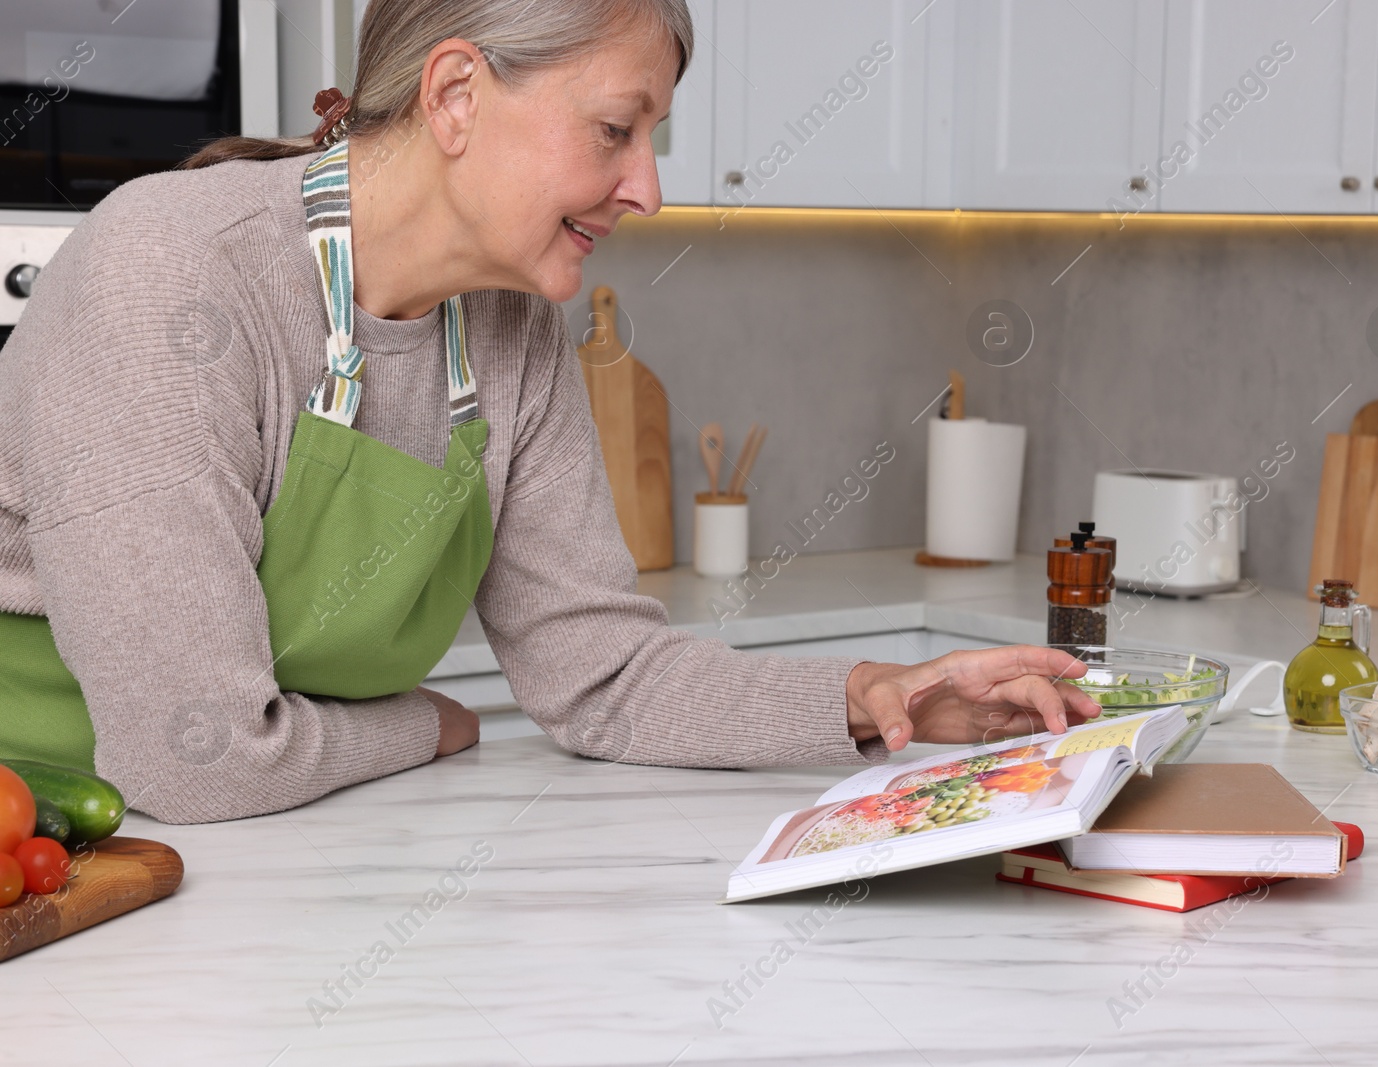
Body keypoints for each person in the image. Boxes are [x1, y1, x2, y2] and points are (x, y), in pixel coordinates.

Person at [0, 0, 1098, 824]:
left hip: (288, 842)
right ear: (456, 96)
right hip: (62, 848)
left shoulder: (510, 329)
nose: (650, 190)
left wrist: (877, 698)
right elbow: (199, 757)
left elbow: (605, 678)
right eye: (617, 129)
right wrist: (419, 722)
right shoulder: (171, 277)